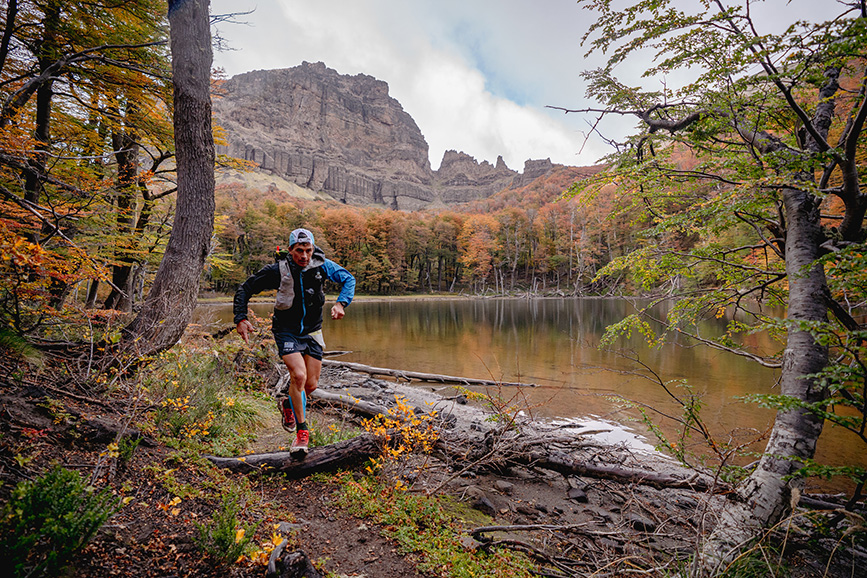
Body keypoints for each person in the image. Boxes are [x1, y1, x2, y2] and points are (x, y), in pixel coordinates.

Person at [233, 228, 355, 457]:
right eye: (299, 251)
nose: (305, 256)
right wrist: (240, 318)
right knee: (298, 376)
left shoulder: (322, 266)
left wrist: (341, 303)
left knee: (311, 386)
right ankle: (302, 434)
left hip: (313, 331)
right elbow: (245, 288)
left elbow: (349, 279)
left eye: (308, 250)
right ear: (290, 250)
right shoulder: (278, 270)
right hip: (286, 331)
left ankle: (287, 405)